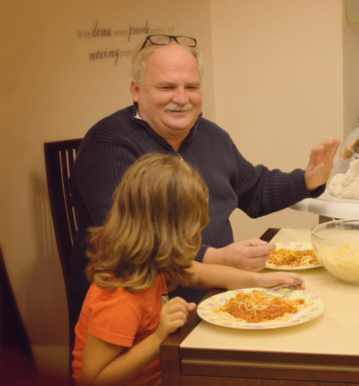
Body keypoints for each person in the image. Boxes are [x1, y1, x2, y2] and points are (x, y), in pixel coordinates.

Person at [68, 34, 339, 321]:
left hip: (218, 295)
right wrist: (216, 257)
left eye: (192, 87)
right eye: (167, 87)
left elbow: (254, 192)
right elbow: (128, 238)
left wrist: (307, 180)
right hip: (144, 314)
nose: (182, 98)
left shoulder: (211, 134)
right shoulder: (106, 143)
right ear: (136, 90)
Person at [71, 153, 304, 385]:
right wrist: (158, 338)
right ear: (166, 232)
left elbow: (201, 273)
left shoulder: (153, 260)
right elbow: (93, 379)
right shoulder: (120, 295)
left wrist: (263, 281)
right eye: (192, 229)